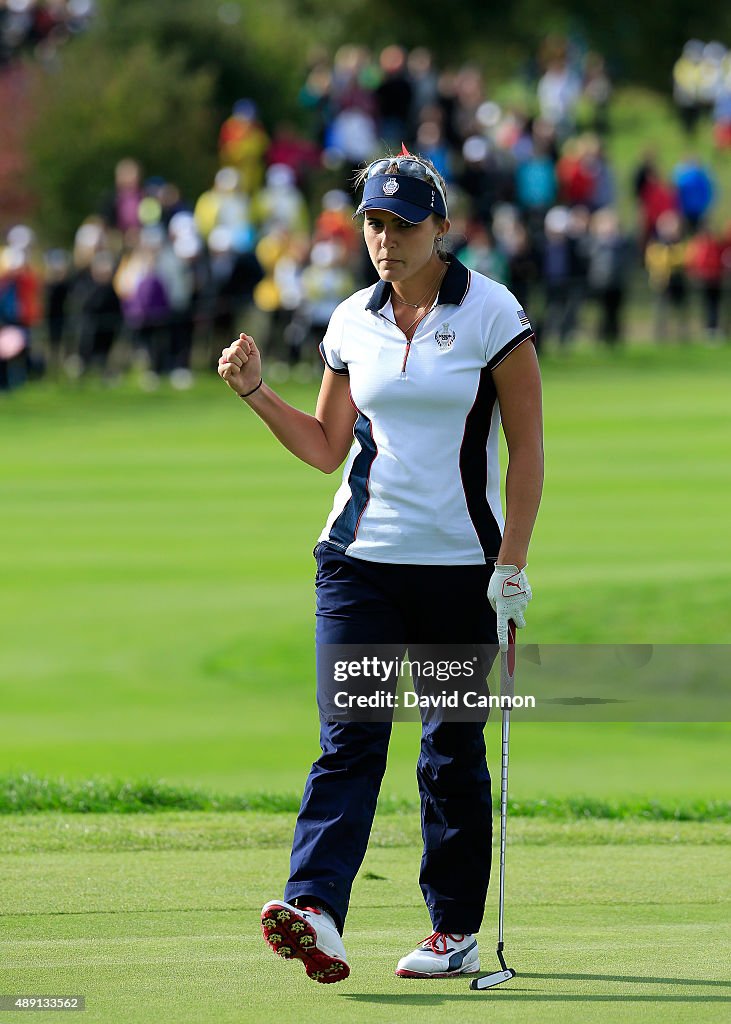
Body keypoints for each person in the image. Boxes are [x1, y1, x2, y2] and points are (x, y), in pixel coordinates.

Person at [218, 151, 543, 983]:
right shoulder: (349, 322)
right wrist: (258, 393)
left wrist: (511, 562)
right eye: (372, 223)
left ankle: (453, 930)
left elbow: (528, 450)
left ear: (440, 226)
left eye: (401, 225)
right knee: (350, 737)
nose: (385, 240)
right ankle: (316, 909)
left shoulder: (491, 313)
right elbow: (328, 449)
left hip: (460, 571)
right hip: (359, 565)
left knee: (449, 752)